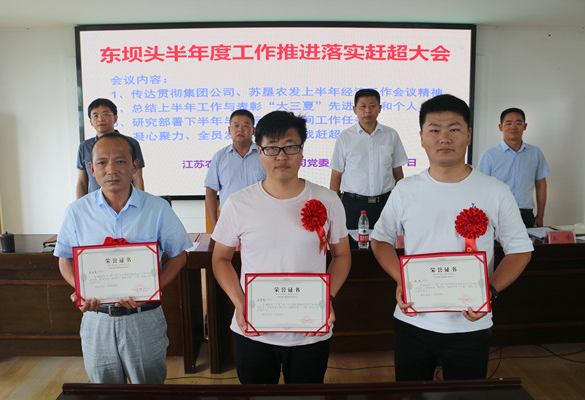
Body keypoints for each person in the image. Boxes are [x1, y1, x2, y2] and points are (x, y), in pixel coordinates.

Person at [371, 94, 533, 381]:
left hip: (471, 324)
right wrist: (401, 279)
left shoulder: (495, 191)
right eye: (434, 129)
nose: (444, 138)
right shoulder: (406, 190)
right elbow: (380, 239)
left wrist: (490, 291)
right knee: (410, 394)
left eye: (454, 129)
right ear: (422, 137)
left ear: (468, 135)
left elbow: (520, 250)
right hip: (413, 319)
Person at [211, 111, 351, 384]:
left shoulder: (327, 199)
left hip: (310, 329)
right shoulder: (238, 203)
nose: (281, 156)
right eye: (272, 147)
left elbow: (342, 255)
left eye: (290, 146)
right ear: (259, 151)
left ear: (302, 151)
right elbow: (220, 259)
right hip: (253, 329)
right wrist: (240, 302)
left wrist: (328, 300)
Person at [55, 132, 192, 384]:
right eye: (102, 162)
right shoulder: (76, 212)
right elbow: (64, 259)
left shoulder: (157, 208)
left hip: (144, 317)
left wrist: (152, 290)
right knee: (104, 390)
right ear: (91, 169)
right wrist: (82, 289)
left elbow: (179, 256)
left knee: (148, 388)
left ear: (134, 166)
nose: (111, 169)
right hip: (97, 319)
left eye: (120, 161)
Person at [330, 88, 408, 229]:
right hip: (352, 205)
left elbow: (397, 172)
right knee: (352, 243)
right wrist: (334, 207)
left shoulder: (391, 135)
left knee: (387, 241)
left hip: (386, 204)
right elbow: (336, 175)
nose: (367, 110)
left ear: (380, 108)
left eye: (372, 106)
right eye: (363, 106)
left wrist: (402, 201)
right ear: (355, 109)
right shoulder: (345, 137)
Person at [477, 108, 550, 228]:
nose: (513, 127)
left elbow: (541, 185)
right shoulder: (489, 155)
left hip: (526, 216)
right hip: (497, 215)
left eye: (518, 123)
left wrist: (540, 215)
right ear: (500, 127)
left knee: (529, 241)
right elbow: (481, 187)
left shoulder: (535, 153)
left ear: (525, 126)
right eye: (508, 123)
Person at [204, 109, 266, 231]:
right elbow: (210, 192)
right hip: (229, 221)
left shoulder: (265, 155)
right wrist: (214, 226)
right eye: (236, 125)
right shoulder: (220, 157)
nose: (240, 130)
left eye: (245, 126)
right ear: (229, 130)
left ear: (253, 130)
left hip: (261, 220)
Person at [76, 98, 145, 198]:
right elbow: (82, 182)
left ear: (115, 117)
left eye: (105, 114)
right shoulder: (84, 147)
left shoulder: (131, 143)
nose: (100, 119)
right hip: (95, 204)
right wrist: (80, 205)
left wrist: (140, 202)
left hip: (125, 202)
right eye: (95, 115)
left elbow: (137, 178)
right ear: (91, 122)